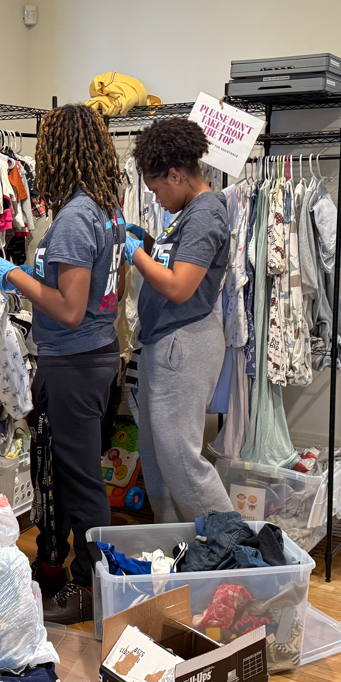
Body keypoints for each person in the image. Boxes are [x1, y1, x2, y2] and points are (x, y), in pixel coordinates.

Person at [0, 104, 124, 624]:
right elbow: (109, 290)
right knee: (69, 474)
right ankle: (62, 571)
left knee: (82, 480)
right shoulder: (107, 208)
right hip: (97, 355)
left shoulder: (73, 219)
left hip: (74, 362)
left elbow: (67, 309)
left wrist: (10, 274)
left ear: (58, 151)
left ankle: (92, 590)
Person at [123, 117, 232, 523]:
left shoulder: (204, 214)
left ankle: (234, 552)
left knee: (181, 460)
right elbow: (177, 264)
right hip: (167, 341)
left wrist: (133, 253)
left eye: (156, 188)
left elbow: (180, 287)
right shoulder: (187, 213)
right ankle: (176, 546)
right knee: (158, 457)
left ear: (176, 174)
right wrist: (149, 244)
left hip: (183, 343)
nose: (156, 198)